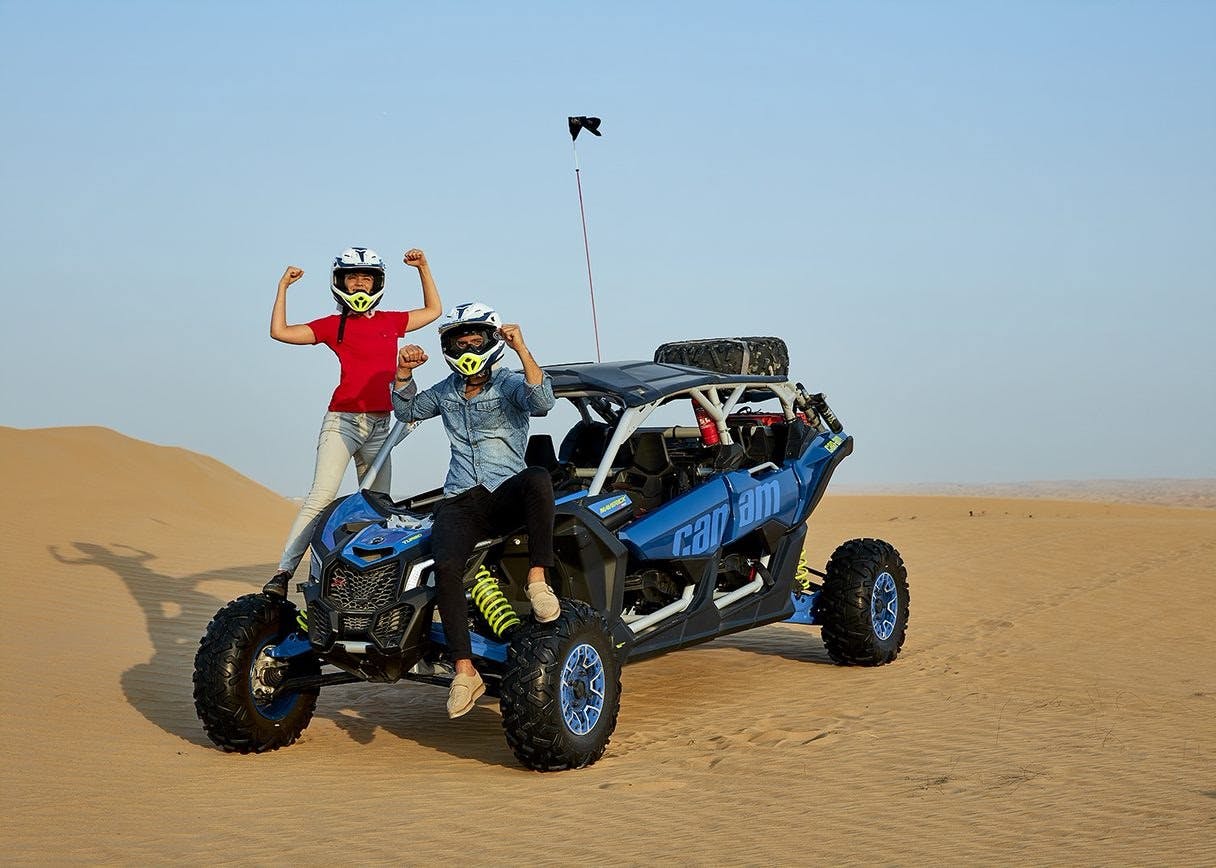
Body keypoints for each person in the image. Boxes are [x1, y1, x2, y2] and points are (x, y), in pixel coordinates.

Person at [391, 302, 561, 719]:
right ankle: (465, 672)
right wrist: (404, 373)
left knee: (538, 476)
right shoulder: (447, 390)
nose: (467, 347)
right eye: (458, 341)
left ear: (489, 340)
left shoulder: (508, 383)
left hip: (505, 491)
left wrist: (522, 348)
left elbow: (542, 401)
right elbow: (408, 410)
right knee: (445, 565)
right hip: (460, 498)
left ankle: (538, 580)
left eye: (474, 340)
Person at [262, 247, 443, 599]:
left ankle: (370, 584)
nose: (359, 284)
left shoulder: (391, 321)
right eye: (352, 277)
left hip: (381, 425)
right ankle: (283, 573)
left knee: (378, 504)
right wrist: (283, 286)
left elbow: (433, 311)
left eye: (366, 278)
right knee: (322, 496)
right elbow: (280, 332)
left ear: (377, 282)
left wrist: (423, 267)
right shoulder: (335, 325)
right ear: (340, 282)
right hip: (342, 421)